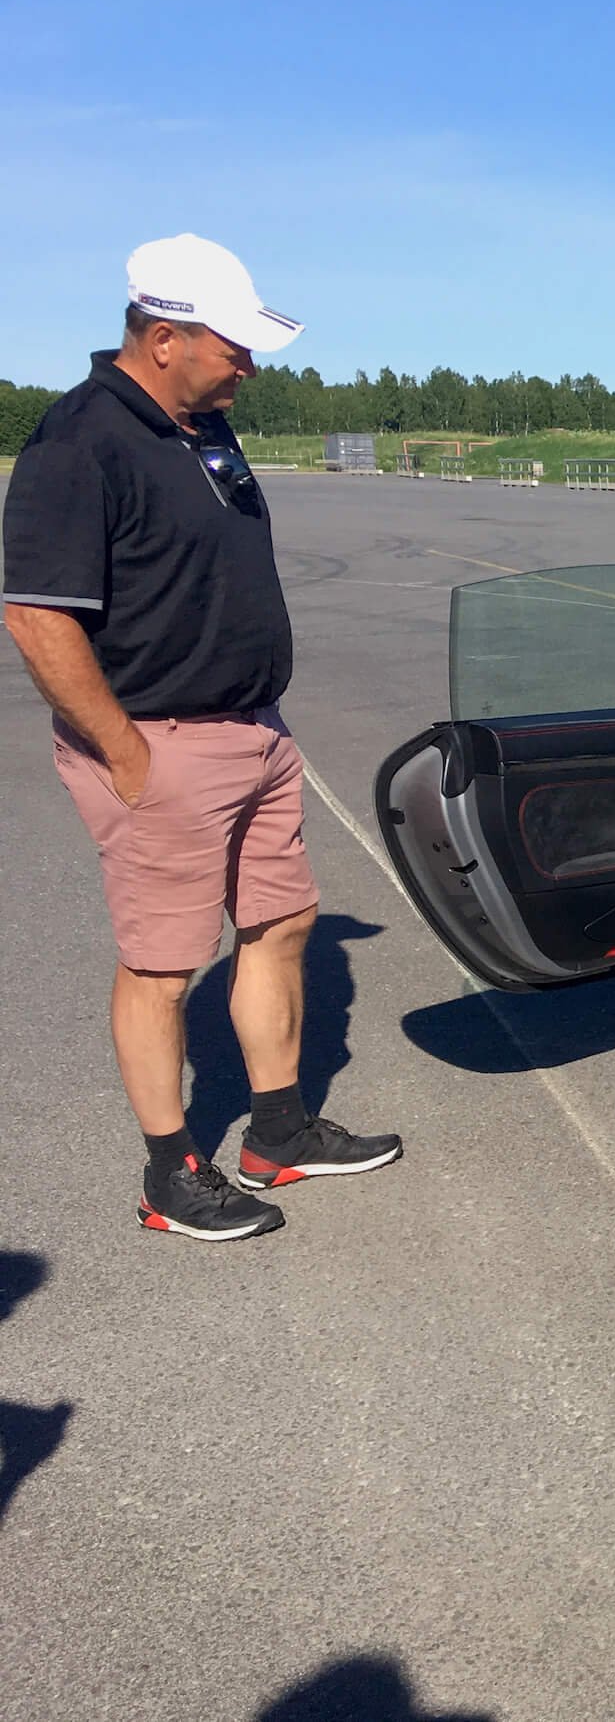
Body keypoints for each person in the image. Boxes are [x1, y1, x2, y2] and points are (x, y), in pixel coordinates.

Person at [2, 235, 401, 1244]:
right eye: (234, 347)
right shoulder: (81, 440)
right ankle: (170, 1173)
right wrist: (126, 755)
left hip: (254, 734)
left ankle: (277, 1131)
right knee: (163, 965)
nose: (251, 367)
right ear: (165, 336)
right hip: (161, 741)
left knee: (282, 921)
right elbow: (38, 615)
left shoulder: (203, 424)